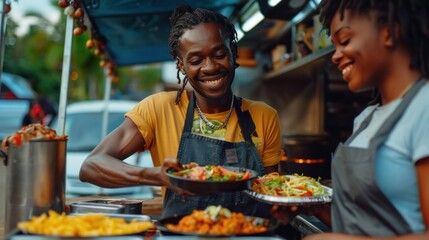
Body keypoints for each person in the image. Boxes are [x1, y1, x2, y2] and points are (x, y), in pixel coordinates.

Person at [79, 5, 283, 218]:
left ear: (233, 52)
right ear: (182, 66)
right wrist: (156, 175)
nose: (210, 67)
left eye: (219, 54)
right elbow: (92, 166)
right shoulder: (158, 110)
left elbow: (269, 192)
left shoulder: (263, 116)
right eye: (196, 61)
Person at [271, 0, 429, 239]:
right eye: (334, 46)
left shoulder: (423, 107)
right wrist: (312, 206)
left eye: (344, 41)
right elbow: (363, 224)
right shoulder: (367, 118)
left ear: (389, 31)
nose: (335, 56)